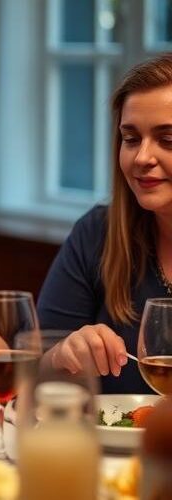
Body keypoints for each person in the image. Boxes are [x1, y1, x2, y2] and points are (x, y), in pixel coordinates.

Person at [37, 53, 172, 394]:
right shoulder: (98, 233)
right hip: (114, 448)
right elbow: (33, 377)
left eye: (167, 140)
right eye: (130, 139)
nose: (142, 158)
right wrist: (61, 357)